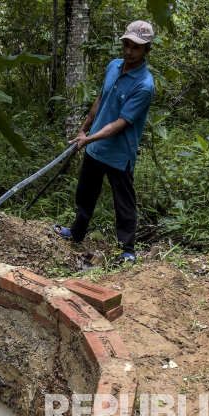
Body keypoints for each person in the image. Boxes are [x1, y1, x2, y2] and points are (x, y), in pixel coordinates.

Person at [53, 20, 156, 263]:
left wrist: (88, 139)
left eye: (136, 47)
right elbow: (101, 99)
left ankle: (128, 251)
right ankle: (76, 233)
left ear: (147, 50)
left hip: (119, 153)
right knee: (85, 193)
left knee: (124, 202)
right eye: (126, 45)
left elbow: (119, 124)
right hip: (95, 147)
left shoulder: (144, 85)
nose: (129, 51)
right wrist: (83, 130)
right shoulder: (113, 66)